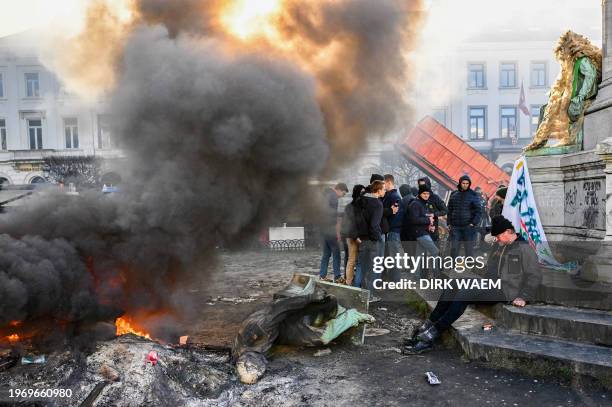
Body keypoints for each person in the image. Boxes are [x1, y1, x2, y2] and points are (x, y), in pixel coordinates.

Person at [403, 215, 542, 354]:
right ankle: (426, 327)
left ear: (508, 232)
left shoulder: (524, 249)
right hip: (490, 284)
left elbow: (535, 275)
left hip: (506, 290)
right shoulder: (501, 245)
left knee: (466, 292)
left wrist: (523, 296)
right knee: (453, 284)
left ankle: (430, 336)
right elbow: (491, 269)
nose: (497, 239)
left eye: (498, 236)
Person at [354, 180, 385, 300]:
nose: (385, 191)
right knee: (373, 268)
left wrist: (357, 235)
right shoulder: (377, 204)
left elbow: (356, 220)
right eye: (383, 189)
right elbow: (374, 225)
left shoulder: (361, 200)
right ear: (378, 190)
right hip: (372, 240)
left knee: (361, 266)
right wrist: (377, 238)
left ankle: (356, 292)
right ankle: (369, 296)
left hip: (362, 239)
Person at [407, 184, 440, 276]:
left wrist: (429, 226)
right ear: (420, 194)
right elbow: (414, 220)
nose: (426, 195)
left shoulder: (423, 203)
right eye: (424, 193)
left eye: (428, 194)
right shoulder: (415, 204)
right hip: (419, 233)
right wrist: (428, 220)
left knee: (419, 256)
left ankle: (416, 276)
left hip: (423, 232)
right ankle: (436, 275)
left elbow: (421, 219)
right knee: (435, 251)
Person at [319, 182, 348, 283]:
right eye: (343, 194)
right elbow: (332, 215)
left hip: (322, 228)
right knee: (336, 253)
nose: (342, 196)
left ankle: (322, 276)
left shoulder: (325, 195)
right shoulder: (334, 197)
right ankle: (337, 277)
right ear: (339, 190)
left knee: (326, 253)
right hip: (329, 229)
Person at [447, 175, 481, 259]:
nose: (465, 185)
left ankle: (469, 267)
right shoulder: (454, 194)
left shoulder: (473, 194)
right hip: (455, 227)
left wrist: (473, 223)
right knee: (454, 248)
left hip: (468, 227)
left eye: (467, 183)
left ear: (469, 184)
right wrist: (448, 223)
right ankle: (452, 266)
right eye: (463, 183)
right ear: (460, 183)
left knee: (469, 249)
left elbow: (478, 210)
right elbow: (449, 210)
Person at [341, 184, 366, 286]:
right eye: (363, 192)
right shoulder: (362, 206)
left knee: (351, 261)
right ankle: (358, 283)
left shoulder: (348, 206)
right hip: (357, 237)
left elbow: (346, 224)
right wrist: (357, 237)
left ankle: (349, 282)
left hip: (350, 236)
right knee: (359, 261)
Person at [383, 174, 402, 282]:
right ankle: (392, 279)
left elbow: (396, 215)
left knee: (394, 255)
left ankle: (395, 281)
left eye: (383, 183)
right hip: (390, 230)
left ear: (389, 182)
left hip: (393, 230)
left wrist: (389, 229)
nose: (383, 186)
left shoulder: (394, 197)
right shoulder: (389, 195)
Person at [417, 177, 447, 242]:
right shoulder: (417, 198)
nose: (422, 188)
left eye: (424, 185)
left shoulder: (435, 197)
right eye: (420, 186)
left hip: (433, 229)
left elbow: (445, 210)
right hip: (421, 230)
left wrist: (434, 214)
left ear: (428, 185)